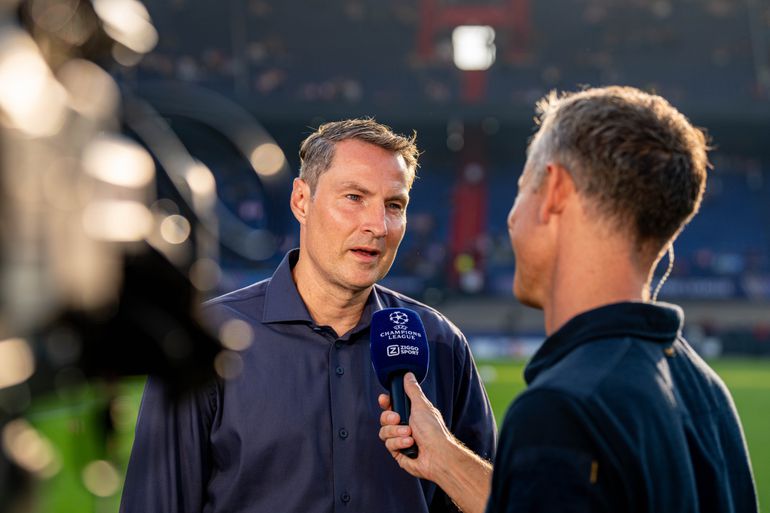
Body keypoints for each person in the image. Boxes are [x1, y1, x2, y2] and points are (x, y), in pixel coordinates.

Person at [379, 86, 758, 513]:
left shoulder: (562, 411)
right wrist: (447, 460)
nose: (511, 217)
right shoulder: (706, 391)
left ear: (555, 190)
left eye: (523, 189)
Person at [120, 118, 496, 513]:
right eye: (354, 197)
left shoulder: (440, 342)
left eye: (394, 205)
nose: (377, 226)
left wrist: (449, 456)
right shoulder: (207, 338)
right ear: (302, 200)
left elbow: (502, 500)